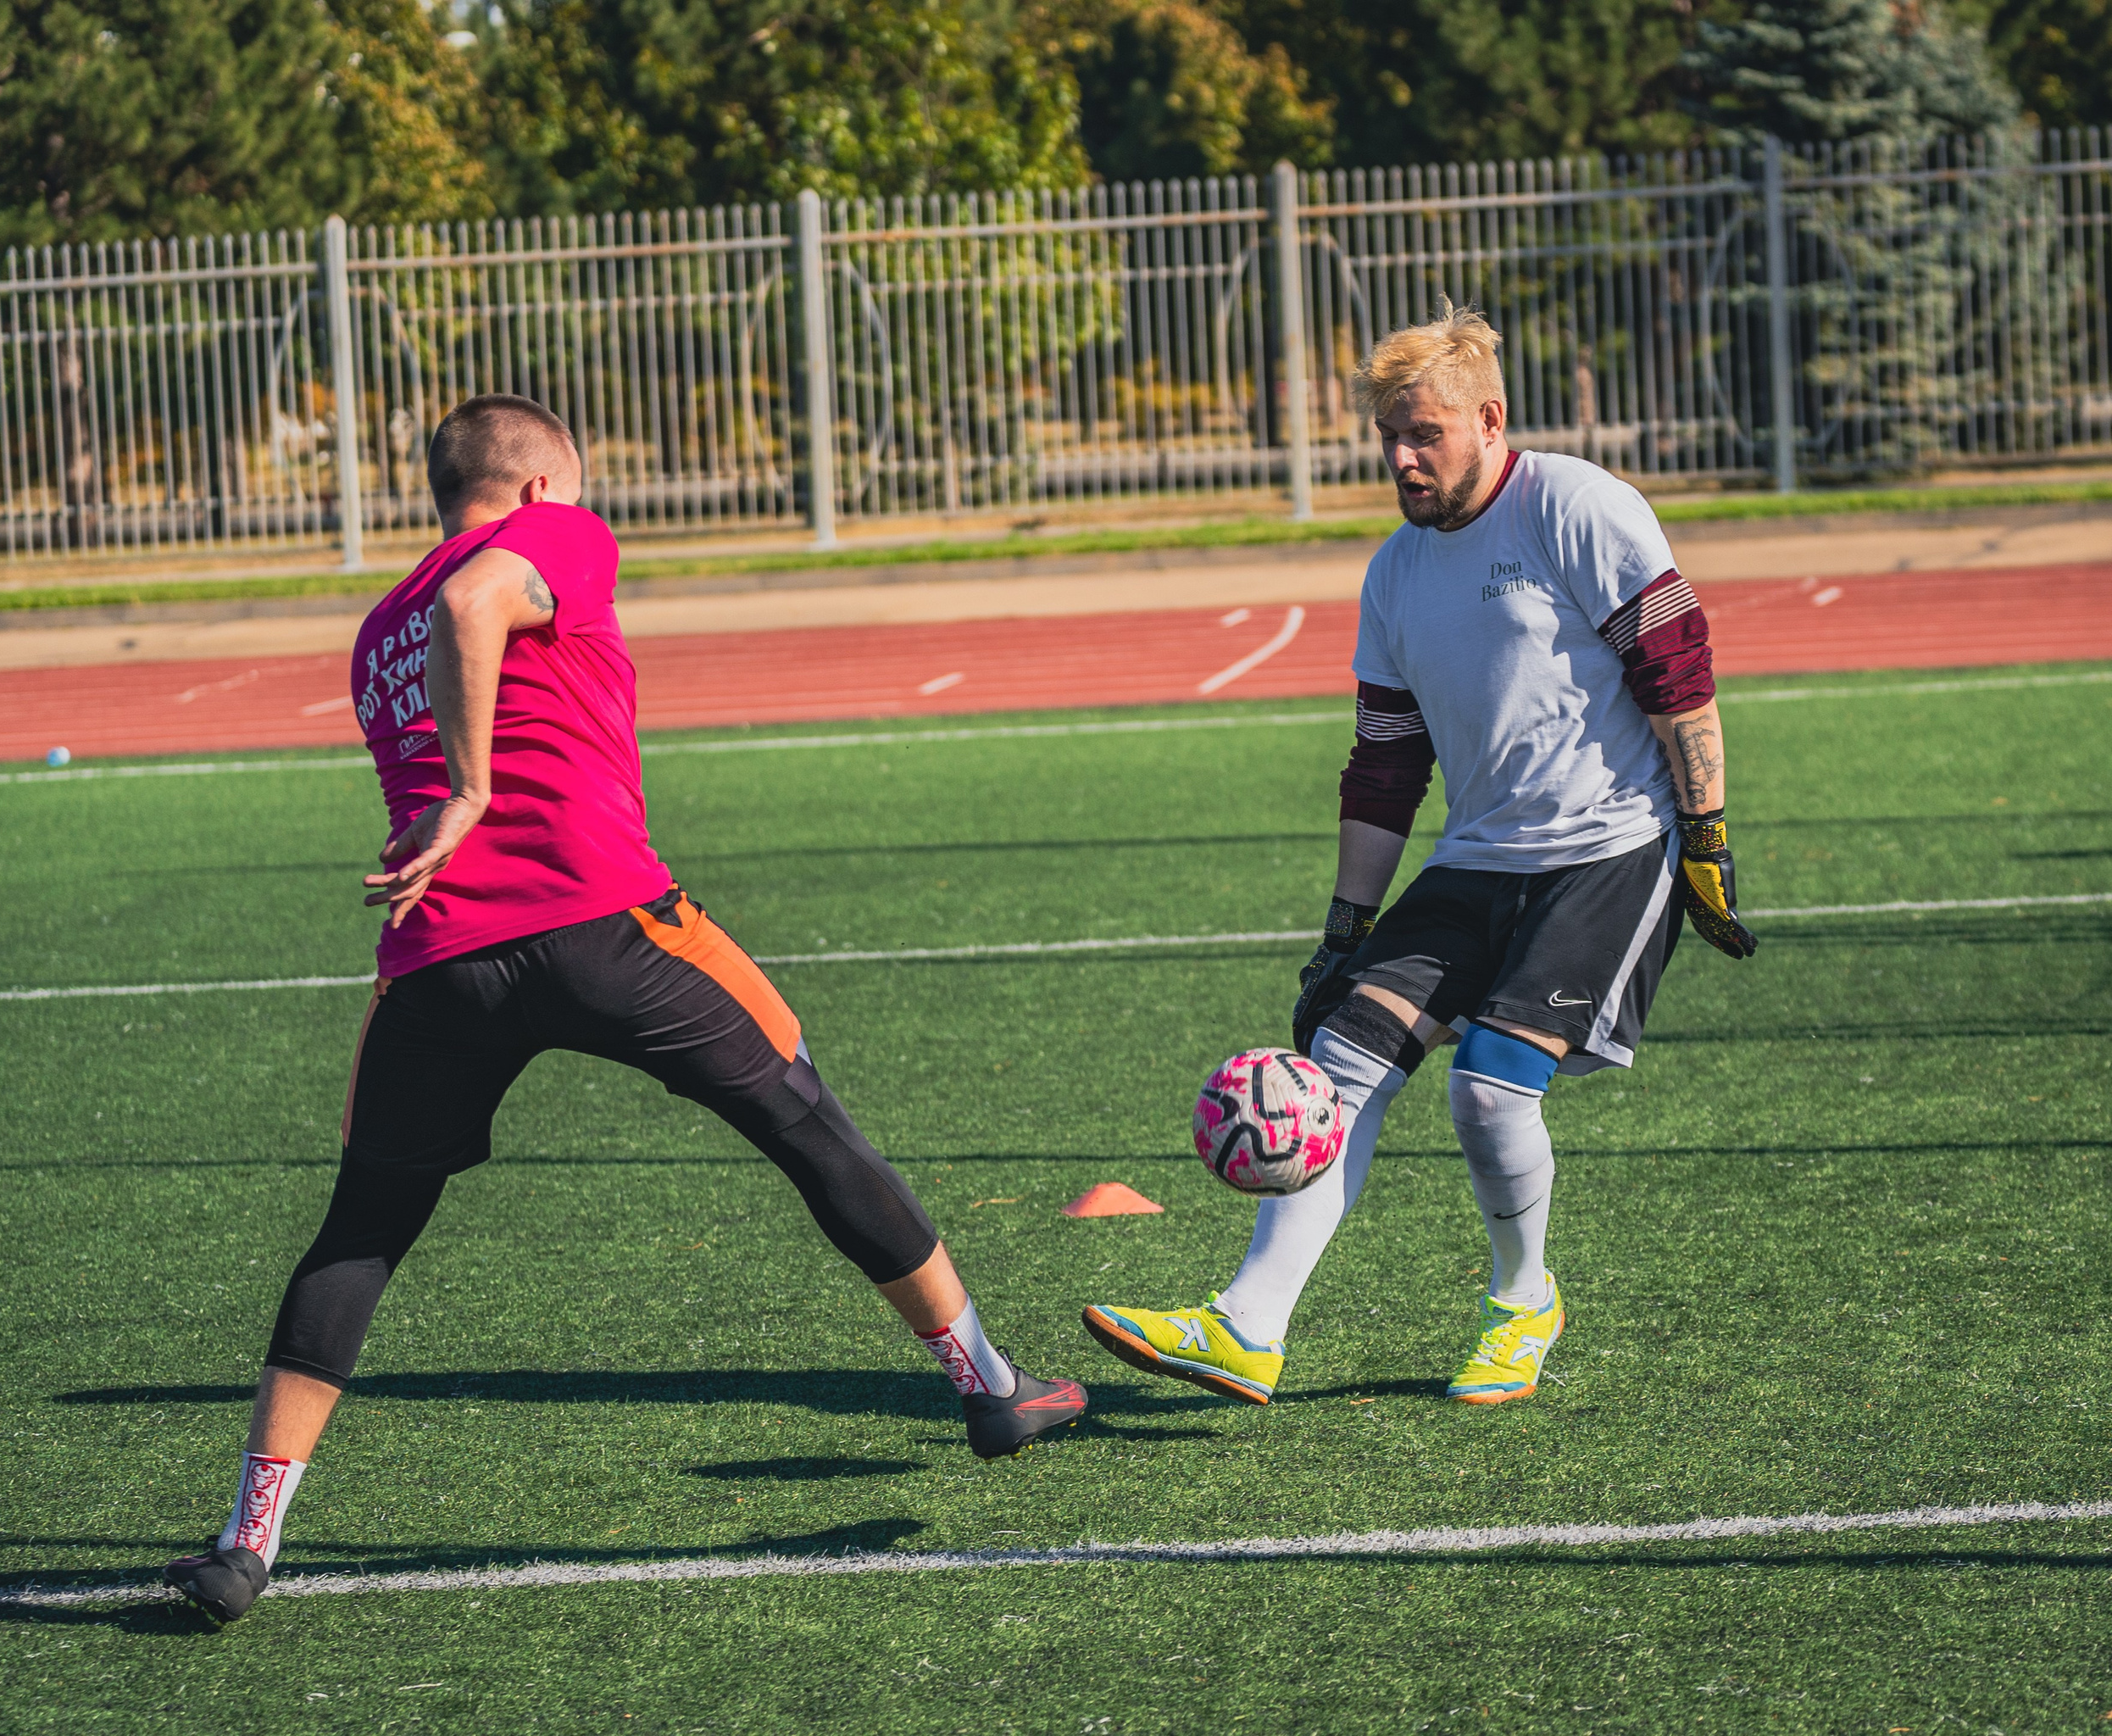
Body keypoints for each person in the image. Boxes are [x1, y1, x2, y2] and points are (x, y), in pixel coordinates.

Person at [164, 394, 1086, 1624]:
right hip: (604, 924)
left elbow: (444, 616)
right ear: (547, 488)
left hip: (439, 963)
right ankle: (988, 1386)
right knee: (806, 1118)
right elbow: (473, 602)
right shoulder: (556, 538)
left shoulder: (375, 626)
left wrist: (455, 797)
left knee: (363, 1229)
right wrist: (478, 789)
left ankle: (248, 1539)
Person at [1082, 305, 1756, 1408]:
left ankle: (1521, 1300)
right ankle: (1245, 1327)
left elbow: (1677, 667)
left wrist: (1709, 830)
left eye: (1424, 433)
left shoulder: (1579, 507)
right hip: (1478, 859)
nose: (1401, 457)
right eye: (1389, 435)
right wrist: (1347, 927)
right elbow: (1386, 764)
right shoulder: (1395, 574)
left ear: (1490, 420)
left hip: (1611, 850)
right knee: (1342, 1064)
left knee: (1492, 1094)